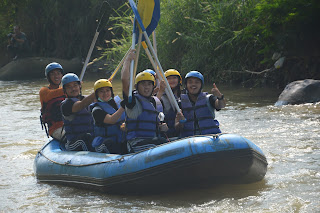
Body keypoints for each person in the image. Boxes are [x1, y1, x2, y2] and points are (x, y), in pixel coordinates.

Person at [121, 50, 169, 153]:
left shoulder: (153, 102)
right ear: (136, 87)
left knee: (165, 140)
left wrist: (163, 127)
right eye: (143, 84)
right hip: (136, 143)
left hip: (151, 142)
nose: (146, 87)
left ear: (153, 87)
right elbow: (125, 82)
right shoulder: (132, 101)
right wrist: (127, 60)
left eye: (149, 84)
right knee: (161, 142)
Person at [175, 71, 226, 138]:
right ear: (186, 85)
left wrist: (219, 96)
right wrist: (181, 122)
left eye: (197, 82)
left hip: (210, 137)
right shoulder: (180, 103)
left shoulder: (209, 98)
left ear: (201, 85)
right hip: (189, 140)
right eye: (190, 82)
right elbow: (176, 128)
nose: (193, 84)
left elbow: (221, 105)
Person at [60, 73, 96, 151]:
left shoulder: (88, 99)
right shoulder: (66, 105)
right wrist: (97, 91)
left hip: (91, 137)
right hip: (74, 143)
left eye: (75, 85)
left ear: (80, 86)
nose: (73, 89)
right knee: (85, 138)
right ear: (65, 90)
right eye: (69, 87)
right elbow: (81, 105)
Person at [90, 79, 126, 154]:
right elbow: (111, 120)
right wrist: (123, 107)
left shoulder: (116, 104)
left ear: (111, 92)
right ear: (97, 94)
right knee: (109, 143)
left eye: (107, 90)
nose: (105, 93)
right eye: (101, 91)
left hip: (119, 140)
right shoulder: (96, 110)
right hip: (103, 143)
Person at [39, 62, 66, 141]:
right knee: (71, 137)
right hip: (55, 128)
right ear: (48, 77)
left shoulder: (66, 91)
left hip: (69, 125)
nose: (56, 76)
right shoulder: (44, 91)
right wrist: (70, 86)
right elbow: (51, 95)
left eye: (58, 73)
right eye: (53, 74)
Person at [156, 69, 183, 138]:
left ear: (179, 80)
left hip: (182, 130)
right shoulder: (161, 96)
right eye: (168, 78)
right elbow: (154, 106)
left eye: (174, 78)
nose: (172, 80)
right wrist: (160, 91)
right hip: (168, 132)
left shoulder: (184, 95)